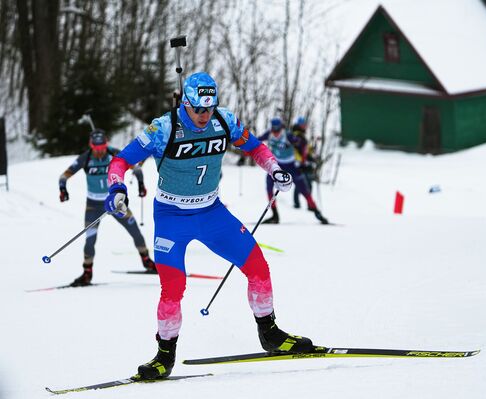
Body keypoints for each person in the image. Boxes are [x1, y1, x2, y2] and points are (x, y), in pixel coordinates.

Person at [103, 72, 314, 380]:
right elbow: (120, 162)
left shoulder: (224, 121)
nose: (204, 115)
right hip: (171, 218)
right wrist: (117, 188)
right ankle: (164, 356)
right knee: (173, 288)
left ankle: (270, 335)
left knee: (258, 267)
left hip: (212, 213)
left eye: (209, 108)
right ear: (186, 103)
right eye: (198, 109)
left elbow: (256, 148)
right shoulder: (163, 128)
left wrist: (275, 170)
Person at [58, 129, 155, 286]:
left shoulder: (114, 154)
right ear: (91, 146)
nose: (100, 152)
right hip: (93, 206)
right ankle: (87, 273)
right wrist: (63, 189)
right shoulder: (86, 158)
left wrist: (141, 184)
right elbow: (64, 175)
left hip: (116, 203)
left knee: (135, 230)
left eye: (102, 147)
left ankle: (147, 261)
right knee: (90, 240)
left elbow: (136, 168)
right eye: (96, 149)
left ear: (106, 144)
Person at [257, 117, 328, 224]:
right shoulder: (269, 134)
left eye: (278, 130)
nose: (275, 133)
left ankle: (317, 212)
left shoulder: (288, 135)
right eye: (273, 130)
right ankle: (275, 215)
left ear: (281, 128)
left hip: (291, 166)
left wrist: (304, 158)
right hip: (277, 166)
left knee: (303, 188)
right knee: (269, 187)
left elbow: (302, 145)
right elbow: (255, 142)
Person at [291, 116, 318, 209]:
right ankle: (300, 204)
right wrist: (306, 160)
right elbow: (298, 150)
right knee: (304, 183)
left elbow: (306, 148)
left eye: (305, 124)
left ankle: (301, 204)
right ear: (300, 125)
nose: (305, 126)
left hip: (302, 162)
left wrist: (312, 153)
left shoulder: (301, 135)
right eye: (303, 124)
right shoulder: (297, 135)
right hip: (300, 163)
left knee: (304, 183)